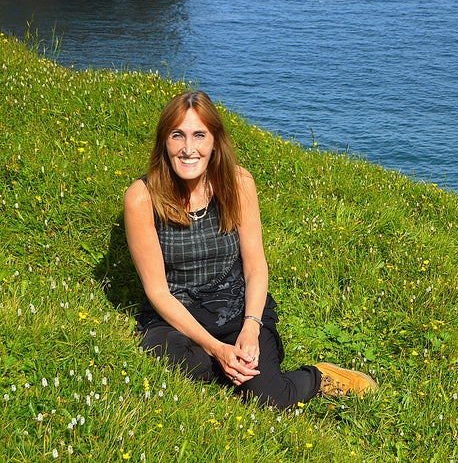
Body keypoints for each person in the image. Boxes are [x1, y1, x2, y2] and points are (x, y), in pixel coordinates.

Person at [124, 90, 377, 409]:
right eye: (178, 135)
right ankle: (229, 365)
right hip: (176, 313)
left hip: (233, 304)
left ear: (215, 141)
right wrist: (216, 348)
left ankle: (318, 377)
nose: (189, 149)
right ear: (165, 142)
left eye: (199, 135)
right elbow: (158, 291)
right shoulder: (142, 198)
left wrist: (250, 325)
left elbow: (255, 268)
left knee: (270, 400)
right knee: (162, 357)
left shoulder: (238, 184)